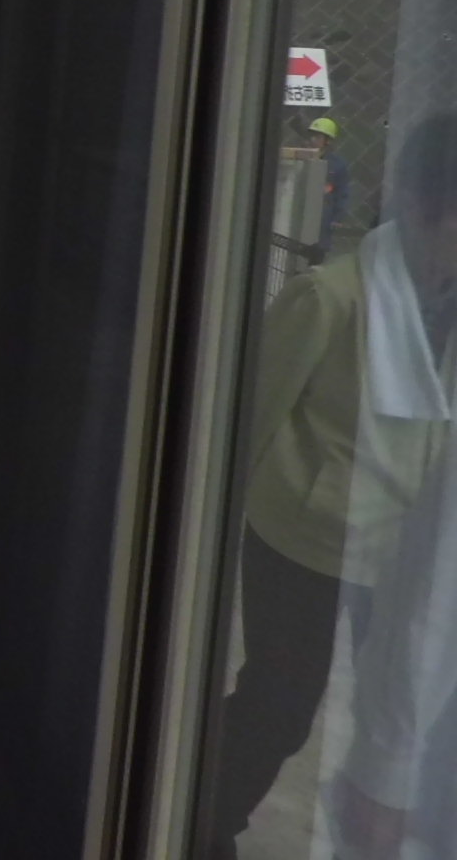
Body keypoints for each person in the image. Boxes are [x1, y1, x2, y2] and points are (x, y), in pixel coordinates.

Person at [207, 113, 457, 859]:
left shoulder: (447, 308)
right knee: (281, 704)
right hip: (303, 538)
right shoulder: (332, 297)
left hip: (402, 548)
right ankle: (204, 820)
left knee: (408, 706)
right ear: (420, 207)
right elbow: (249, 418)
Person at [311, 115, 351, 256]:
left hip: (324, 216)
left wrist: (337, 218)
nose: (313, 140)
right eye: (312, 136)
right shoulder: (303, 159)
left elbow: (342, 193)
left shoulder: (337, 165)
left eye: (318, 137)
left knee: (319, 252)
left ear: (328, 141)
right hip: (304, 210)